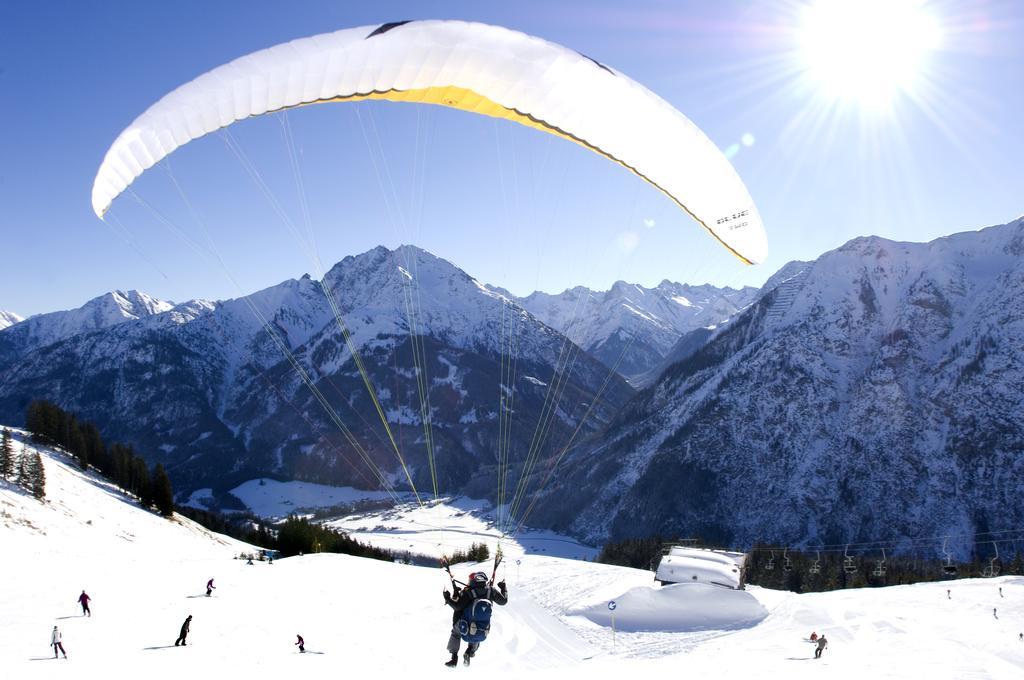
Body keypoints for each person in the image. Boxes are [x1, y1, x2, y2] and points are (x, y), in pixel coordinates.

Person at [443, 571, 508, 667]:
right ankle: (469, 652)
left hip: (465, 628)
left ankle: (454, 658)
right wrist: (503, 588)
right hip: (481, 631)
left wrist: (447, 598)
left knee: (456, 633)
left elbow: (457, 607)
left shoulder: (468, 592)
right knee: (477, 629)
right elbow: (504, 601)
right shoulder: (491, 591)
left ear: (473, 580)